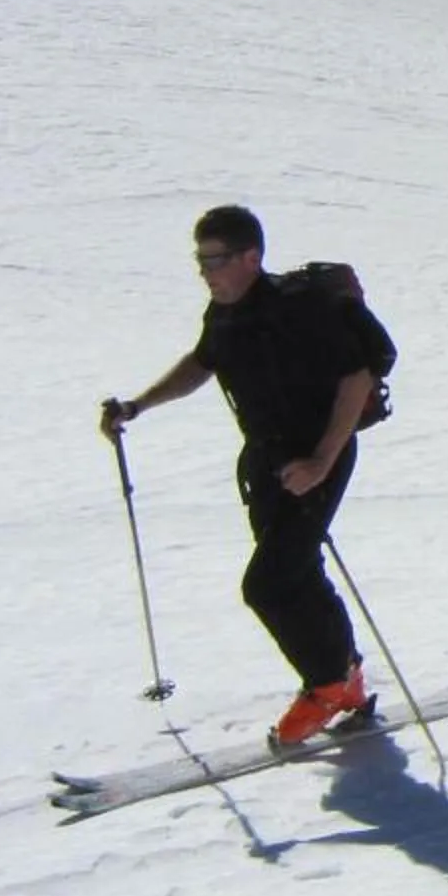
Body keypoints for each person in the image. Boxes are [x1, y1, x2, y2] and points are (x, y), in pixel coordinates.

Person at [101, 205, 387, 746]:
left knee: (268, 584)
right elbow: (203, 363)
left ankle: (326, 683)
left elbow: (357, 376)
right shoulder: (225, 313)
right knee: (299, 571)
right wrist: (138, 407)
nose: (206, 272)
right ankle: (345, 677)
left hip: (316, 456)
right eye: (200, 261)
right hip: (267, 462)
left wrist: (323, 460)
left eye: (216, 260)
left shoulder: (298, 308)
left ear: (251, 258)